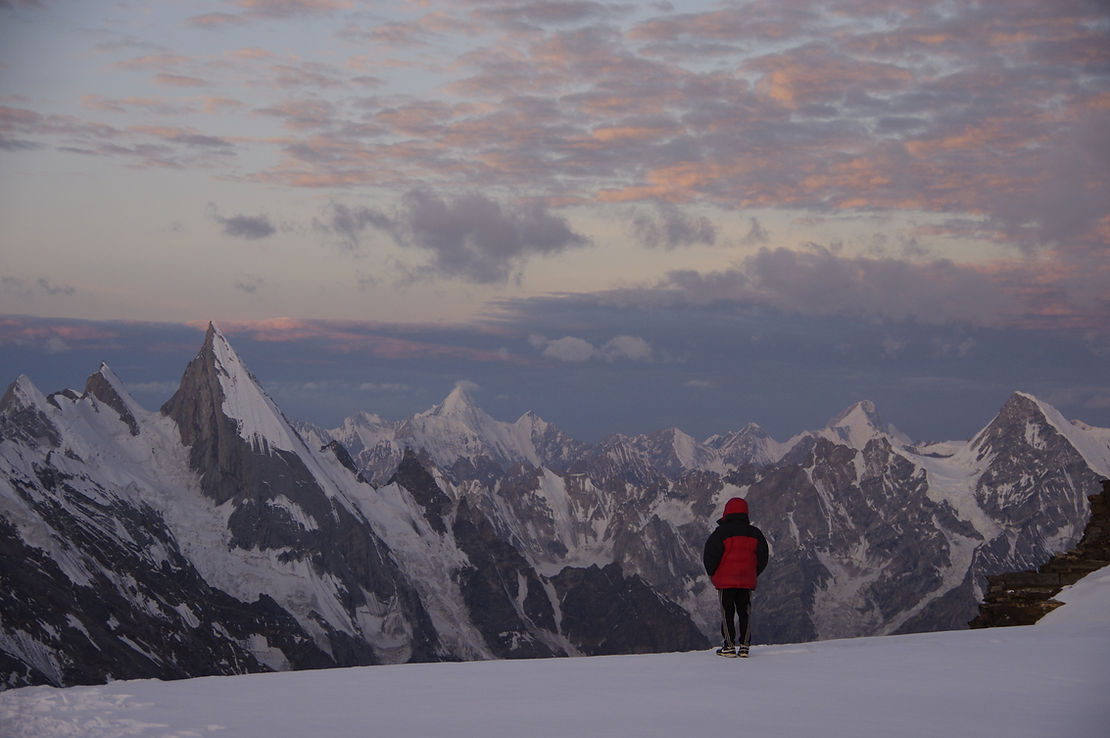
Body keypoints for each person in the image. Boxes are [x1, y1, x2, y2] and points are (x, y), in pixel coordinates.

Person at [702, 497, 768, 658]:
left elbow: (710, 555)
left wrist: (713, 573)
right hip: (746, 580)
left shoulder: (721, 533)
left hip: (725, 580)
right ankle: (744, 646)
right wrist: (754, 572)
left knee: (727, 612)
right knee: (745, 611)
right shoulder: (755, 533)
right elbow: (763, 556)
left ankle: (729, 646)